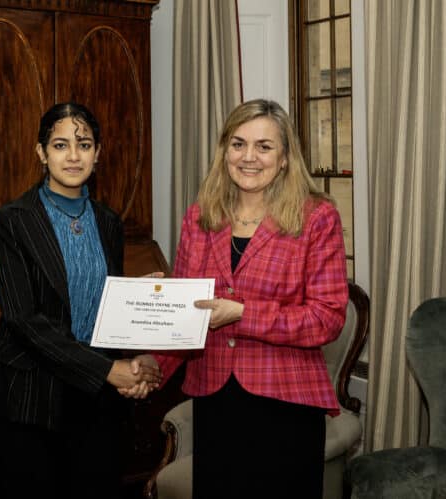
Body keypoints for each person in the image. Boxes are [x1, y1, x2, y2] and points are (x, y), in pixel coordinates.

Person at [140, 99, 348, 498]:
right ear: (225, 151)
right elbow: (185, 314)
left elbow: (327, 318)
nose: (249, 157)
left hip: (286, 402)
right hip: (216, 403)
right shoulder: (201, 216)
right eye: (238, 144)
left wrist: (242, 314)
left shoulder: (317, 217)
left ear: (285, 157)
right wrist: (151, 364)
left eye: (264, 146)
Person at [0, 102, 161, 499]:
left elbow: (103, 305)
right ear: (41, 153)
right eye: (60, 145)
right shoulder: (12, 220)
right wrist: (107, 370)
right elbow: (25, 320)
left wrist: (138, 310)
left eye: (84, 144)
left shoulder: (109, 221)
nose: (74, 155)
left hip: (96, 403)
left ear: (98, 153)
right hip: (29, 402)